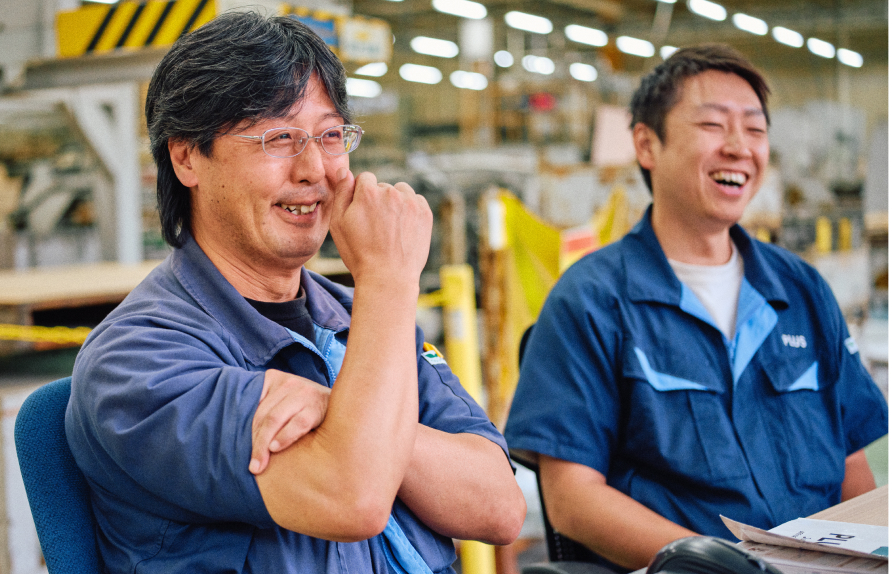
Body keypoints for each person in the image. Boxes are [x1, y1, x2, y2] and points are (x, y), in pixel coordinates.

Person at [64, 11, 526, 573]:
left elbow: (499, 507)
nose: (315, 170)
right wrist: (387, 277)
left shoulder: (360, 321)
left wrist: (338, 413)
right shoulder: (136, 363)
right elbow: (350, 496)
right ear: (187, 156)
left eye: (331, 136)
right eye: (278, 138)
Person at [503, 44, 888, 571]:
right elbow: (572, 500)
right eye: (713, 125)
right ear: (646, 144)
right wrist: (716, 565)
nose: (739, 147)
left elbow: (849, 465)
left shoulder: (802, 290)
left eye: (754, 130)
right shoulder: (592, 300)